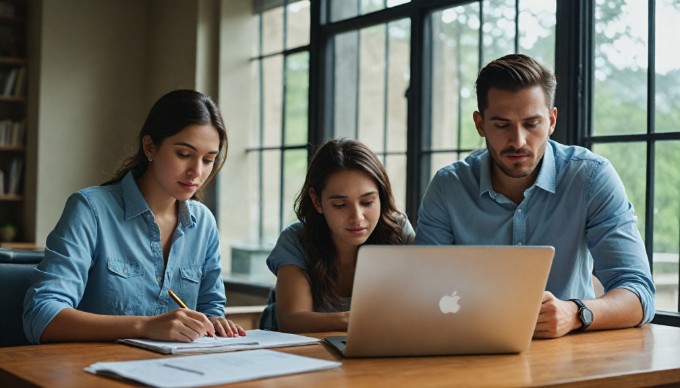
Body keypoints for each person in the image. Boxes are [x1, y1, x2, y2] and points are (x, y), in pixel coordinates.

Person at [415, 54, 655, 339]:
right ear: (480, 124)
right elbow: (421, 293)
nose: (518, 141)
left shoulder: (591, 177)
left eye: (532, 124)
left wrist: (575, 313)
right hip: (473, 351)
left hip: (571, 356)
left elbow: (639, 294)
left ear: (551, 121)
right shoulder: (448, 187)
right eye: (502, 125)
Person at [23, 89, 246, 344]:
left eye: (208, 160)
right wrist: (145, 326)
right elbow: (41, 316)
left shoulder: (203, 223)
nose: (196, 171)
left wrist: (215, 324)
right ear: (150, 146)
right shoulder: (90, 210)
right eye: (184, 154)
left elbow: (211, 310)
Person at [259, 138, 415, 333]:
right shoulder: (295, 240)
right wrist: (356, 319)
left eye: (367, 202)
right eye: (340, 205)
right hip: (300, 355)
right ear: (317, 201)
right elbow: (292, 320)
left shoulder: (398, 232)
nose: (357, 218)